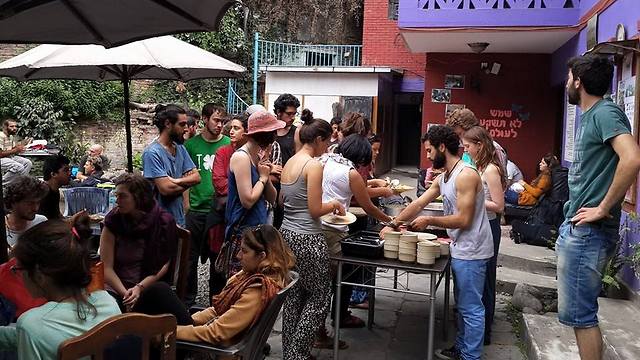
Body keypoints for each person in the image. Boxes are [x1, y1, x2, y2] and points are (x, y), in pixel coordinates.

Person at [381, 125, 493, 360]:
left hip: (473, 250)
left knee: (471, 308)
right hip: (460, 247)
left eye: (430, 150)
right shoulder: (445, 177)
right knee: (462, 305)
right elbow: (418, 204)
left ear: (443, 147)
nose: (428, 155)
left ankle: (471, 356)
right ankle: (462, 348)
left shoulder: (466, 175)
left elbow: (463, 219)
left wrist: (430, 220)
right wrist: (393, 223)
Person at [557, 55, 640, 360]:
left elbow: (632, 158)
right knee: (579, 316)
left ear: (578, 81)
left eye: (568, 77)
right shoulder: (591, 115)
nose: (567, 83)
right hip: (579, 228)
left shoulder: (605, 112)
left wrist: (603, 206)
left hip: (589, 232)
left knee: (582, 317)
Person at [129, 224, 295, 348]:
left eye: (244, 251)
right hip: (210, 339)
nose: (237, 256)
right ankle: (126, 330)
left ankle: (123, 332)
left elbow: (216, 333)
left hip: (210, 349)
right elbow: (218, 310)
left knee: (158, 294)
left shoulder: (258, 288)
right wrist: (188, 321)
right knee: (157, 296)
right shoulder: (254, 275)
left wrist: (164, 332)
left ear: (262, 256)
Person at [0, 220, 121, 359]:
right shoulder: (108, 302)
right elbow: (45, 335)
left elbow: (36, 333)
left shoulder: (31, 324)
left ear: (39, 276)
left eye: (18, 269)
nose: (17, 274)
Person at [280, 109, 345, 360]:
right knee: (319, 296)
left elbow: (286, 201)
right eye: (327, 142)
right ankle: (298, 354)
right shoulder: (313, 165)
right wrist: (335, 205)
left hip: (287, 233)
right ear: (318, 139)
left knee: (294, 295)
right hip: (308, 236)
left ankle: (290, 353)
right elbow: (316, 209)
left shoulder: (291, 161)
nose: (327, 147)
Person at [316, 134, 392, 347]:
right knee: (328, 283)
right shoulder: (350, 173)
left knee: (316, 283)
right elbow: (368, 206)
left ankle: (316, 329)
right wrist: (390, 221)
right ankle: (319, 334)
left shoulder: (325, 159)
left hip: (315, 225)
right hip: (334, 230)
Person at [100, 173, 178, 312]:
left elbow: (163, 265)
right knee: (105, 307)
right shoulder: (113, 221)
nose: (117, 201)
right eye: (116, 195)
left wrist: (139, 288)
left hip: (147, 286)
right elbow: (106, 268)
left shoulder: (162, 221)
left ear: (138, 197)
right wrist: (126, 294)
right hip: (116, 287)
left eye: (122, 196)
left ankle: (192, 330)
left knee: (162, 293)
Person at [461, 125, 506, 345]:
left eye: (468, 146)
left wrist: (474, 199)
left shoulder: (490, 169)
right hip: (480, 225)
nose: (466, 150)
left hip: (490, 226)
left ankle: (485, 331)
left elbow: (498, 205)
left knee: (486, 279)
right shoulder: (478, 166)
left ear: (480, 145)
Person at [183, 104, 231, 307]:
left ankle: (216, 303)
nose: (220, 125)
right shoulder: (191, 146)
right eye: (216, 120)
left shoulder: (229, 144)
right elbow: (184, 176)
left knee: (217, 260)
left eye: (223, 121)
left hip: (219, 211)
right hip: (195, 209)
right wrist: (186, 206)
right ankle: (187, 302)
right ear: (204, 119)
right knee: (190, 259)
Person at [224, 110, 280, 276]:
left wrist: (266, 175)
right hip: (243, 230)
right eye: (273, 132)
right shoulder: (241, 157)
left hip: (259, 228)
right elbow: (247, 200)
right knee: (240, 281)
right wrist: (263, 177)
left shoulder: (257, 155)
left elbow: (272, 198)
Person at [142, 104, 201, 227]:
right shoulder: (152, 153)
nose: (186, 128)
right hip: (158, 224)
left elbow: (197, 178)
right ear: (168, 124)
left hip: (179, 221)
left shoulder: (180, 149)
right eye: (182, 124)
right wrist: (187, 182)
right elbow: (166, 190)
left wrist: (175, 180)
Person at [210, 114, 249, 297]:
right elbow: (219, 183)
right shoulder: (223, 152)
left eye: (236, 128)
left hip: (245, 217)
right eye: (231, 127)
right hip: (224, 216)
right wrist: (242, 186)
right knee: (219, 261)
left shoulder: (254, 154)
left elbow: (272, 177)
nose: (231, 131)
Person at [271, 94, 301, 228]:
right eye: (289, 114)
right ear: (278, 112)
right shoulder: (269, 131)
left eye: (294, 114)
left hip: (287, 184)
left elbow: (299, 159)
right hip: (269, 181)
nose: (292, 117)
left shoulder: (296, 132)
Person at [4, 176, 48, 252]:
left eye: (38, 202)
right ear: (14, 202)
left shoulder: (41, 222)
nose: (36, 208)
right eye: (30, 203)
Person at [0, 119, 32, 187]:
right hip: (2, 158)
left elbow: (13, 148)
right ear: (5, 127)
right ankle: (3, 184)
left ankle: (19, 185)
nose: (14, 128)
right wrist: (16, 150)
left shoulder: (11, 136)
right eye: (11, 126)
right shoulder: (1, 136)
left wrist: (23, 145)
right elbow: (1, 154)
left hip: (9, 157)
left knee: (28, 163)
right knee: (18, 167)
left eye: (15, 126)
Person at [39, 154, 71, 220]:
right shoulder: (43, 194)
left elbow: (58, 216)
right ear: (53, 174)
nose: (69, 173)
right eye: (66, 170)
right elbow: (43, 224)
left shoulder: (55, 191)